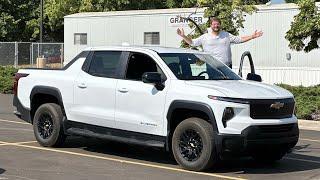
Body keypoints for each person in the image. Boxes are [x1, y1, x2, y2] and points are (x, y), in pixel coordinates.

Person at [177, 17, 263, 69]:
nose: (216, 26)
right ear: (211, 25)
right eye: (214, 24)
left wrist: (252, 36)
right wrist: (183, 36)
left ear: (220, 25)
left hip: (227, 67)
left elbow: (239, 39)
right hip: (211, 67)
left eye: (217, 24)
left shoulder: (226, 35)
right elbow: (192, 43)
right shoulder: (205, 36)